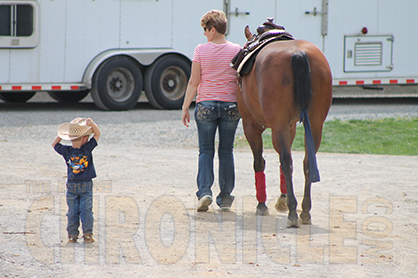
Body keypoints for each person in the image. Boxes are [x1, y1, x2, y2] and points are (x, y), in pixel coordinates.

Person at [182, 10, 242, 212]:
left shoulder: (201, 50)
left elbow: (194, 81)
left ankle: (205, 192)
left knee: (206, 151)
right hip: (231, 106)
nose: (204, 34)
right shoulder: (237, 50)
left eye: (206, 30)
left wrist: (185, 106)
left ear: (213, 30)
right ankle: (225, 197)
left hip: (206, 104)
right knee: (226, 151)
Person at [52, 117, 101, 243]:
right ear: (85, 138)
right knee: (86, 210)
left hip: (72, 185)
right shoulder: (87, 148)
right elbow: (98, 134)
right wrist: (91, 123)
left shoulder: (67, 151)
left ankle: (72, 235)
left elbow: (54, 144)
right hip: (86, 185)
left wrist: (61, 135)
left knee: (72, 211)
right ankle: (88, 234)